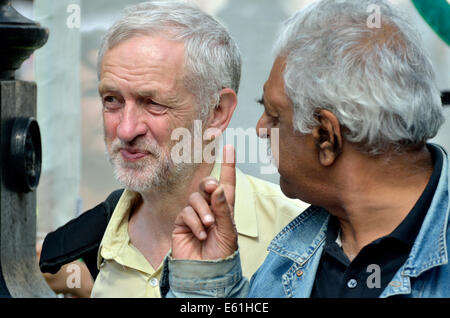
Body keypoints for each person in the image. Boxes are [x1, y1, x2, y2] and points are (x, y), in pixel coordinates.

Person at [162, 0, 450, 298]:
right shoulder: (300, 246)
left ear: (327, 136)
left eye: (274, 114)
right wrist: (207, 283)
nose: (261, 129)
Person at [39, 1, 308, 298]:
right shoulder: (77, 248)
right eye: (112, 100)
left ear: (217, 112)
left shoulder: (300, 238)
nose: (126, 130)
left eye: (153, 103)